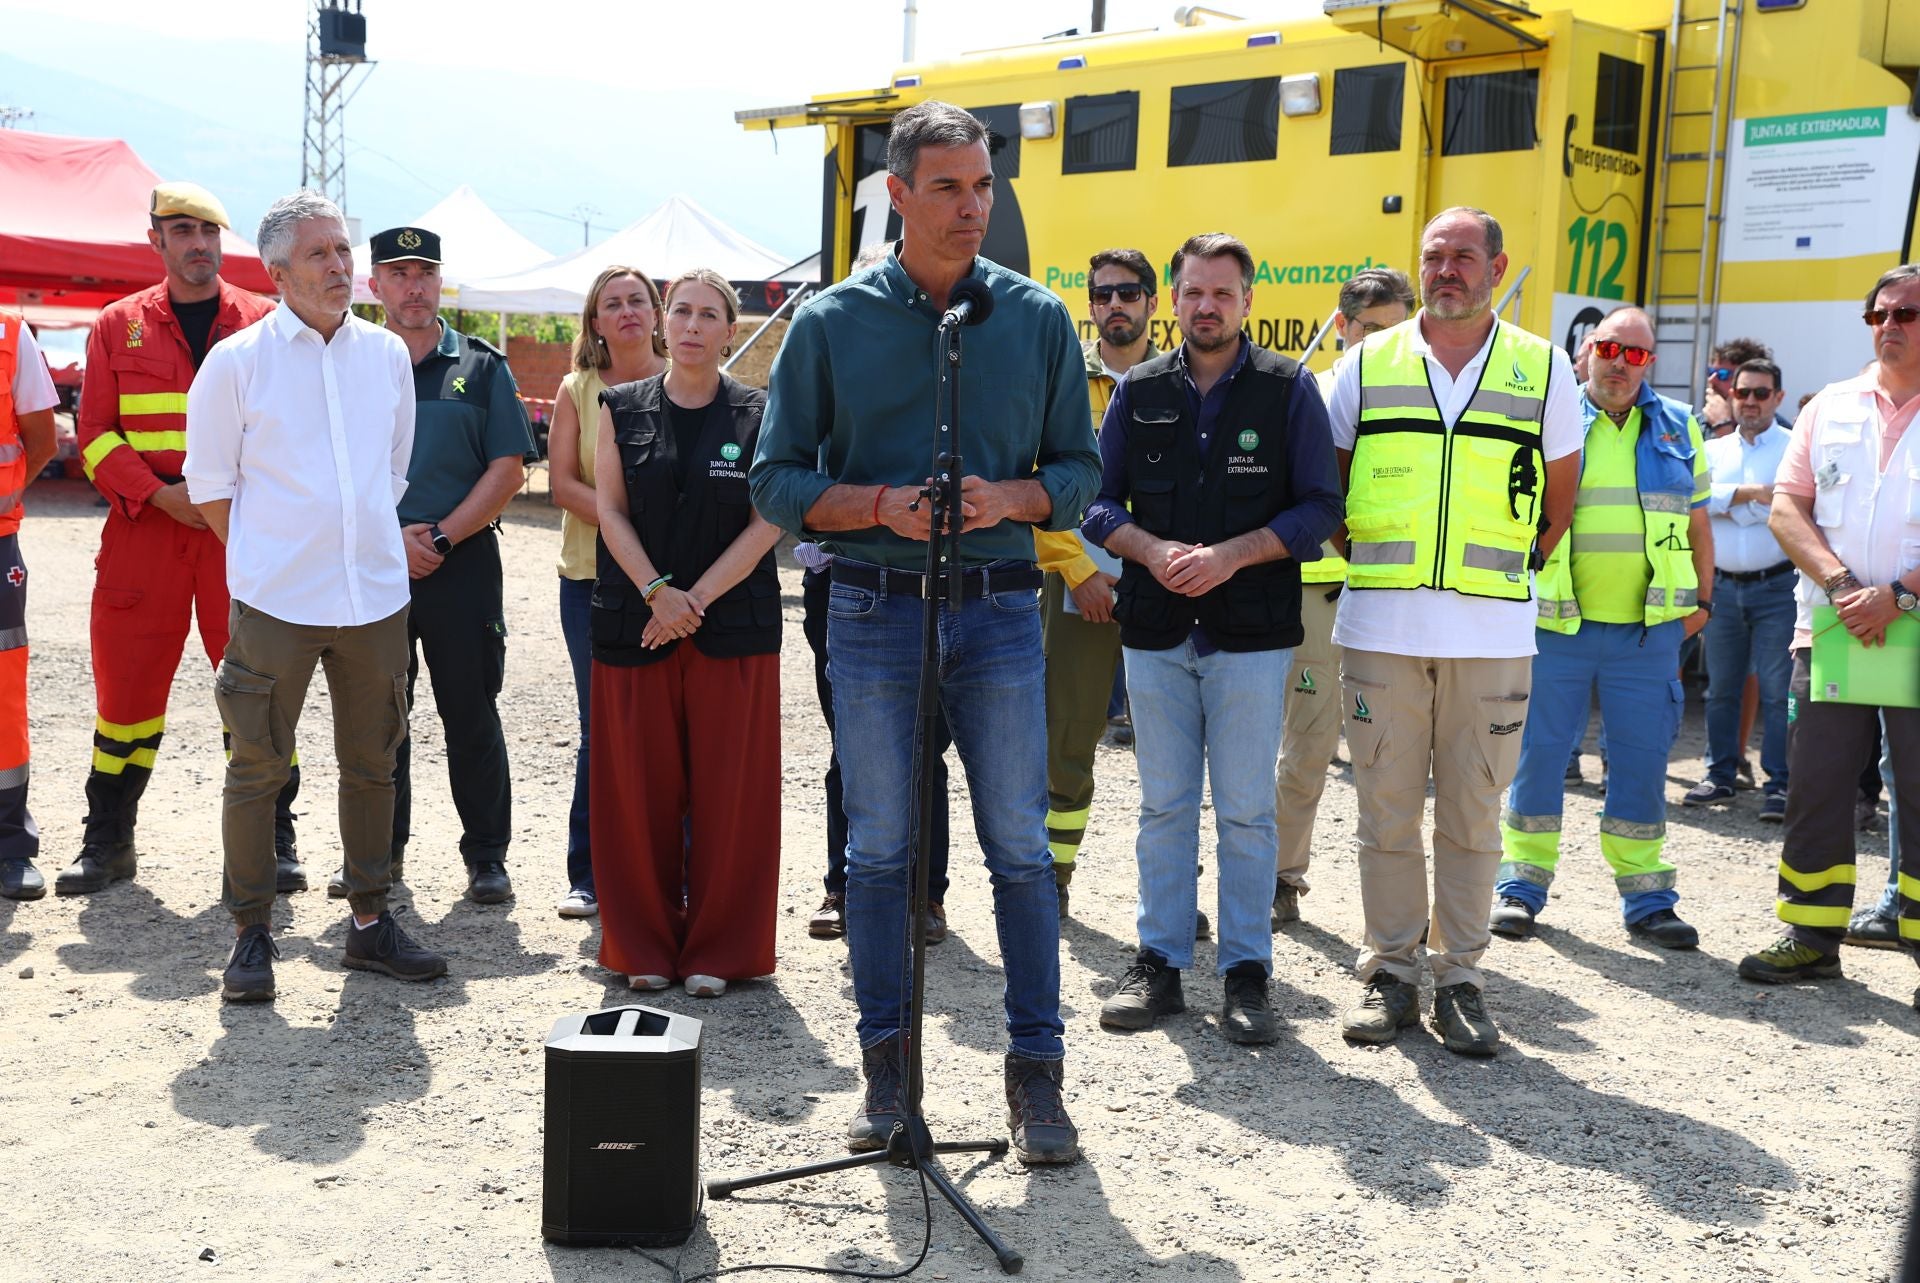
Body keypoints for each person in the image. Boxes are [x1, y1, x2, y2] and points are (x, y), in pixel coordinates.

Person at [751, 100, 1098, 1164]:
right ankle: (887, 1075)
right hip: (867, 608)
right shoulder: (828, 322)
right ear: (896, 195)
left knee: (1021, 853)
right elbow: (776, 480)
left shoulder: (1037, 319)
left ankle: (1036, 1079)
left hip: (997, 609)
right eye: (947, 187)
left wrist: (1016, 500)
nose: (972, 207)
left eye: (984, 186)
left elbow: (1081, 476)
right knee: (881, 853)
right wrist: (875, 506)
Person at [1324, 207, 1581, 1056]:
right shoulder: (1366, 362)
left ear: (1497, 266)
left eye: (1464, 256)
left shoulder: (1544, 369)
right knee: (1384, 808)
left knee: (1474, 813)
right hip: (1382, 625)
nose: (1448, 270)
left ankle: (1461, 976)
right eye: (1434, 256)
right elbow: (1330, 484)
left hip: (1493, 632)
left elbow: (1559, 495)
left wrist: (1500, 575)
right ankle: (1391, 970)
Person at [185, 190, 445, 1002]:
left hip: (373, 597)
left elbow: (391, 472)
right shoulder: (236, 363)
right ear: (276, 273)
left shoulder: (385, 357)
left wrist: (350, 543)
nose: (340, 267)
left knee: (374, 763)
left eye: (343, 250)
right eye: (320, 255)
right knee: (256, 768)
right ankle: (251, 932)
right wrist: (274, 558)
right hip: (275, 604)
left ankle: (369, 922)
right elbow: (210, 487)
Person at [1082, 232, 1342, 1044]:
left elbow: (1319, 510)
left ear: (1246, 301)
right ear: (1175, 299)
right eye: (1193, 291)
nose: (1206, 306)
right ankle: (1158, 963)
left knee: (1244, 812)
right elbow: (1096, 504)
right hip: (1156, 631)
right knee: (1162, 806)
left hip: (1251, 635)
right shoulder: (1140, 390)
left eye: (1221, 293)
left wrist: (1233, 555)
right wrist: (1151, 550)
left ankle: (1246, 974)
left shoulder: (1288, 388)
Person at [64, 182, 296, 897]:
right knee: (125, 693)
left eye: (209, 232)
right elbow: (94, 434)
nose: (199, 244)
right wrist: (160, 493)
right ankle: (108, 842)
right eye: (183, 230)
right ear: (156, 239)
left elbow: (290, 431)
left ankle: (273, 844)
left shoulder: (264, 321)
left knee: (256, 690)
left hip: (241, 530)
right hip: (148, 526)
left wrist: (226, 498)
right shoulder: (115, 325)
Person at [1489, 307, 1713, 948]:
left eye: (1637, 354)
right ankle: (1521, 887)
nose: (1621, 363)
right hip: (1558, 627)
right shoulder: (1552, 417)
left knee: (1641, 764)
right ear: (1587, 350)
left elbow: (1698, 525)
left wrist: (1705, 604)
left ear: (1651, 363)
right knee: (1539, 757)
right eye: (1612, 349)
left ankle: (1647, 900)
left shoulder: (1678, 426)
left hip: (1647, 636)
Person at [592, 269, 783, 1000]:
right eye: (682, 311)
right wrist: (655, 592)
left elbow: (771, 520)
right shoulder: (621, 406)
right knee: (634, 793)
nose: (694, 325)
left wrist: (695, 597)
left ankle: (722, 949)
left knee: (733, 797)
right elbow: (609, 509)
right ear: (663, 323)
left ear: (730, 331)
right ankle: (640, 942)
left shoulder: (760, 412)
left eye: (710, 314)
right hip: (635, 625)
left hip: (730, 627)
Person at [1738, 264, 1920, 992]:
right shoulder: (1832, 406)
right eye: (1879, 314)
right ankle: (1811, 932)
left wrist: (1899, 594)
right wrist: (1845, 585)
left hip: (1912, 622)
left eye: (1907, 313)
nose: (1890, 326)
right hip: (1837, 626)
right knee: (1816, 782)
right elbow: (1788, 507)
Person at [352, 226, 532, 906]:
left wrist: (442, 538)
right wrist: (393, 540)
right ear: (375, 285)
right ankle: (379, 854)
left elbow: (508, 470)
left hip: (460, 563)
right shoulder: (353, 364)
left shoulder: (481, 367)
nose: (414, 285)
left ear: (440, 280)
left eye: (424, 271)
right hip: (374, 563)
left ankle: (486, 856)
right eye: (398, 273)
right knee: (379, 717)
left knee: (470, 711)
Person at [800, 241, 957, 947]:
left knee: (929, 743)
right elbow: (790, 476)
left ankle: (926, 894)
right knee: (852, 747)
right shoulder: (823, 359)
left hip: (940, 586)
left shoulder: (946, 368)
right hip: (843, 582)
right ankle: (846, 884)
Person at [1272, 267, 1413, 927]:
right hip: (1318, 596)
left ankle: (1392, 911)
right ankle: (1278, 878)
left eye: (1401, 330)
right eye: (1373, 330)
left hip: (1398, 602)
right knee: (1305, 750)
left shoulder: (1423, 403)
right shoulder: (1308, 396)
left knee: (1392, 761)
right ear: (1342, 328)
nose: (1387, 344)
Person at [1040, 246, 1158, 918]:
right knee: (1067, 736)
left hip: (1166, 590)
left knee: (1171, 751)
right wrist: (1081, 572)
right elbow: (1036, 481)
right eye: (1104, 294)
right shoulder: (1062, 381)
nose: (1117, 304)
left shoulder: (1183, 380)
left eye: (1130, 292)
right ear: (1090, 306)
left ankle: (1166, 891)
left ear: (1151, 302)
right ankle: (1053, 877)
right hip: (1078, 590)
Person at [549, 266, 668, 919]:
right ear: (595, 322)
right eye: (611, 303)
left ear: (656, 312)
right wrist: (635, 526)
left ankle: (669, 869)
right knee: (603, 728)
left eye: (636, 299)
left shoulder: (685, 385)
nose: (625, 311)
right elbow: (563, 485)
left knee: (670, 728)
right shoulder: (577, 388)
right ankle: (588, 874)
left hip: (671, 589)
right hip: (591, 580)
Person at [1684, 356, 1794, 822]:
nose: (1750, 401)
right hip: (1723, 587)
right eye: (1743, 392)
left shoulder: (1794, 448)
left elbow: (1791, 507)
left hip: (1777, 586)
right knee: (1721, 689)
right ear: (1732, 396)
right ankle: (1720, 774)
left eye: (1760, 393)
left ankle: (1781, 784)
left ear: (1778, 398)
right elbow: (1700, 507)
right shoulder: (1712, 451)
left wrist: (1730, 501)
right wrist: (1750, 495)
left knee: (1777, 692)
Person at [0, 311, 62, 900]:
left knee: (2, 692)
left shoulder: (10, 335)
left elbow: (41, 441)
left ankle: (9, 844)